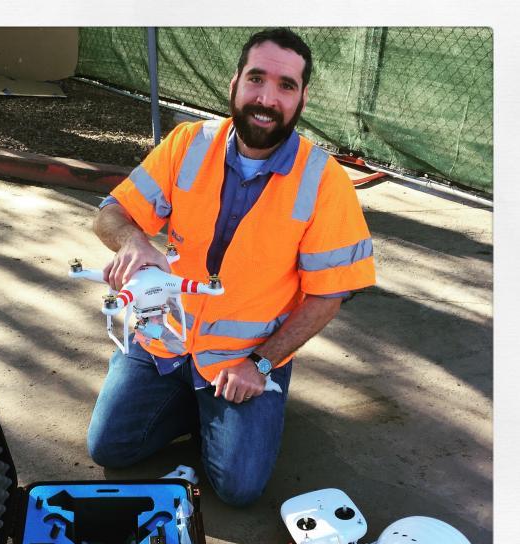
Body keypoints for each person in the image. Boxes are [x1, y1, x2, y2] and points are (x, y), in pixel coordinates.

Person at [86, 28, 376, 506]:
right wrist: (134, 242)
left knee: (239, 489)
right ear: (234, 83)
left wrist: (261, 364)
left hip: (244, 357)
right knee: (110, 448)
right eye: (256, 78)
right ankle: (194, 401)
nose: (267, 97)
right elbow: (110, 214)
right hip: (166, 339)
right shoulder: (188, 143)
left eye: (286, 86)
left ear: (303, 97)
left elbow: (330, 294)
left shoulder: (325, 181)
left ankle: (239, 398)